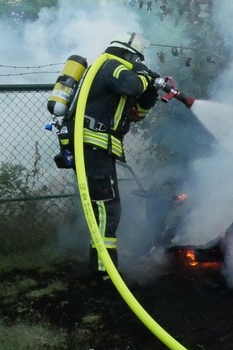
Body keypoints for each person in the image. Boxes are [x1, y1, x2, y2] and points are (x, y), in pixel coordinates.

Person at [71, 32, 160, 282]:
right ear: (130, 55)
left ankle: (102, 268)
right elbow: (132, 84)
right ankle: (103, 271)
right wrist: (145, 75)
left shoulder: (116, 78)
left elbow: (134, 114)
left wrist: (150, 94)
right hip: (93, 146)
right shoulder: (110, 64)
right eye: (136, 59)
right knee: (105, 208)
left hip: (99, 149)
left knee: (108, 208)